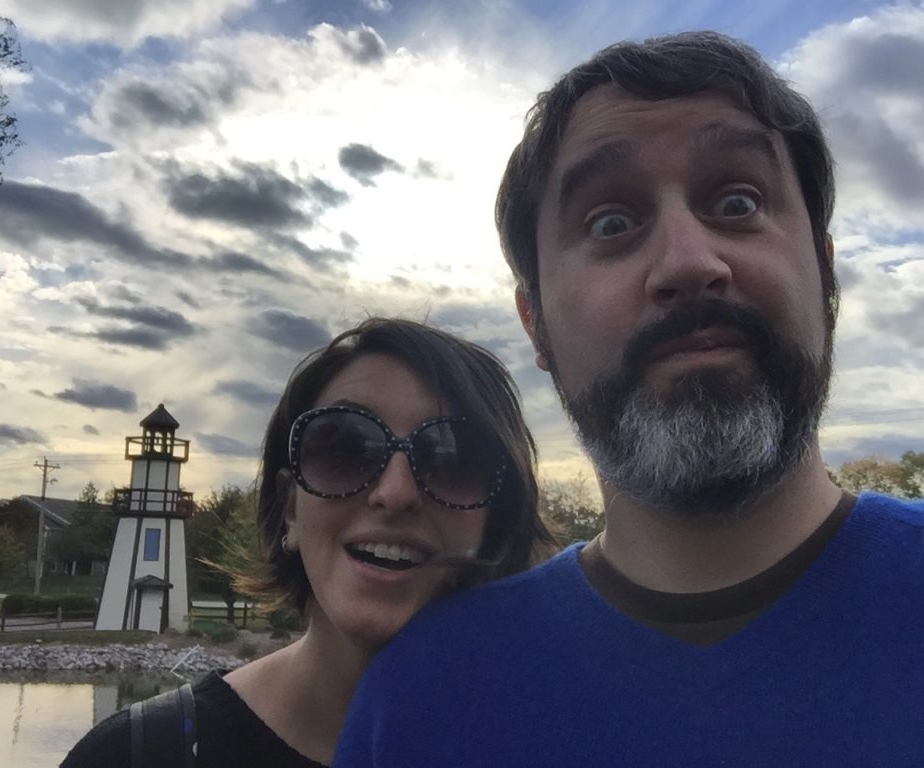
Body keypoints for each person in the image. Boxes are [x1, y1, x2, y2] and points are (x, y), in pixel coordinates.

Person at [336, 31, 924, 767]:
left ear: (827, 279)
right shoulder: (421, 701)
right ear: (536, 324)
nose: (687, 262)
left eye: (737, 201)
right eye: (611, 223)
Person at [61, 317, 555, 767]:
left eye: (453, 458)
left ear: (499, 517)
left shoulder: (564, 747)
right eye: (344, 447)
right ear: (290, 508)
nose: (395, 492)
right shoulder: (137, 757)